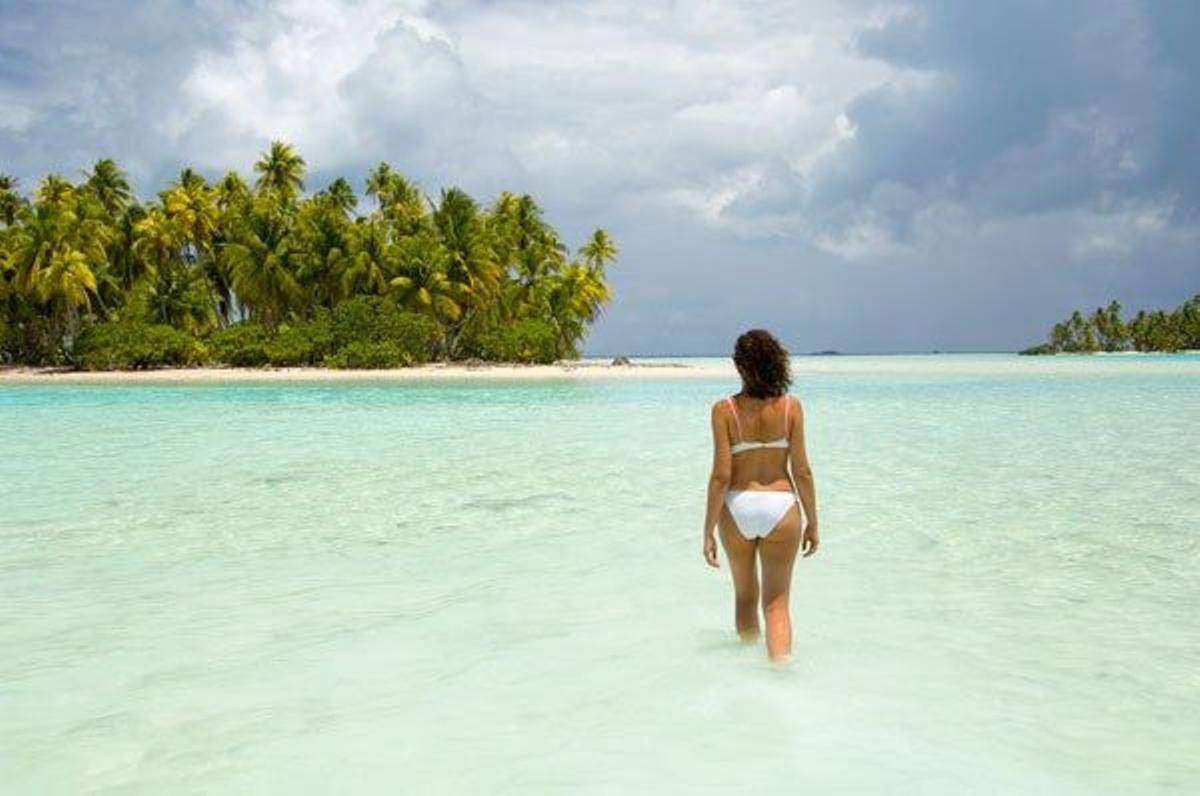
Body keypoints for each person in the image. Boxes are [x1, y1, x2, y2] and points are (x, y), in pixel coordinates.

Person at [702, 329, 819, 662]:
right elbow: (802, 472)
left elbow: (720, 475)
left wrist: (708, 529)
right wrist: (812, 521)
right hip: (782, 508)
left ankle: (745, 672)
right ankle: (780, 676)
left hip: (737, 506)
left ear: (740, 366)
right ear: (777, 362)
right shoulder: (791, 408)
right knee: (777, 604)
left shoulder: (724, 410)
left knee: (744, 596)